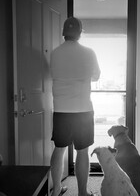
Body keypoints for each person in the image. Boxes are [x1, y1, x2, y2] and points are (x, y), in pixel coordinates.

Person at [50, 17, 100, 196]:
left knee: (59, 149)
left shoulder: (54, 53)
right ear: (80, 33)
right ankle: (82, 193)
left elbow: (52, 74)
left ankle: (56, 190)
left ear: (64, 32)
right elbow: (96, 77)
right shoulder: (89, 52)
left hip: (61, 110)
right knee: (82, 151)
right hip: (83, 111)